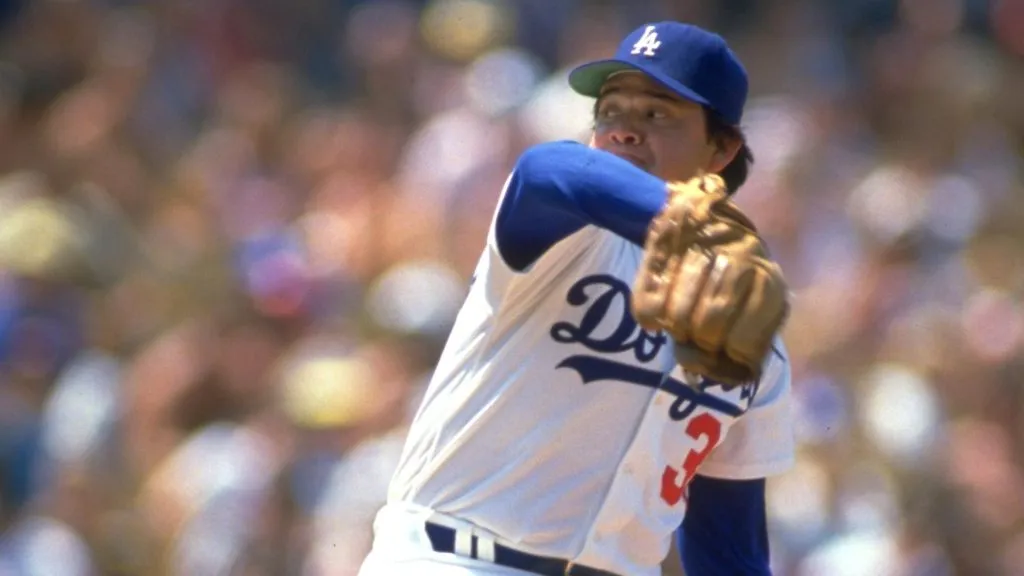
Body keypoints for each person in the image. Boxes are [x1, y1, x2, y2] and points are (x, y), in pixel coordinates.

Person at [358, 21, 794, 576]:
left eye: (657, 114)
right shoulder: (565, 233)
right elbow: (551, 172)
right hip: (455, 559)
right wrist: (689, 224)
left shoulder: (756, 338)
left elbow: (726, 547)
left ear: (722, 147)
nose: (623, 131)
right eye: (609, 111)